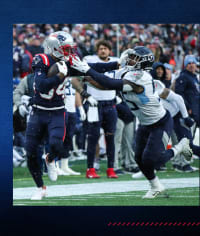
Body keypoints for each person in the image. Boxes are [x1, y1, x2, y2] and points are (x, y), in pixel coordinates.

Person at [69, 46, 193, 198]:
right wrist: (82, 74)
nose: (130, 59)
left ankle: (181, 146)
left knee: (153, 161)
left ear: (142, 62)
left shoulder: (140, 79)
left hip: (160, 122)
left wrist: (87, 70)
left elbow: (110, 84)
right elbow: (103, 83)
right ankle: (156, 186)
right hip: (144, 123)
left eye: (134, 58)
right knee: (139, 159)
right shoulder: (127, 72)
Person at [26, 31, 118, 200]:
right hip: (38, 111)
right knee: (30, 152)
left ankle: (50, 158)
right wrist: (60, 76)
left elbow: (95, 69)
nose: (71, 53)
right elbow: (41, 86)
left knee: (56, 145)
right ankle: (40, 187)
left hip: (56, 111)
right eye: (67, 49)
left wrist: (116, 65)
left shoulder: (68, 62)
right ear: (55, 47)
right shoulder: (42, 59)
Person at [82, 40, 119, 179]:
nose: (103, 51)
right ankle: (90, 168)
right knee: (93, 138)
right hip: (94, 104)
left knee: (110, 137)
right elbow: (84, 77)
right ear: (97, 51)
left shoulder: (116, 61)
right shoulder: (89, 60)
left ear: (110, 50)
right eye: (100, 49)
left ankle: (111, 168)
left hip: (111, 104)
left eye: (105, 48)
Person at [174, 55, 200, 126]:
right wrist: (187, 107)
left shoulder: (194, 77)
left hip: (197, 109)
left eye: (193, 63)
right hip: (191, 111)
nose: (191, 65)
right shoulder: (183, 76)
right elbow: (179, 93)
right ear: (185, 65)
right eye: (189, 63)